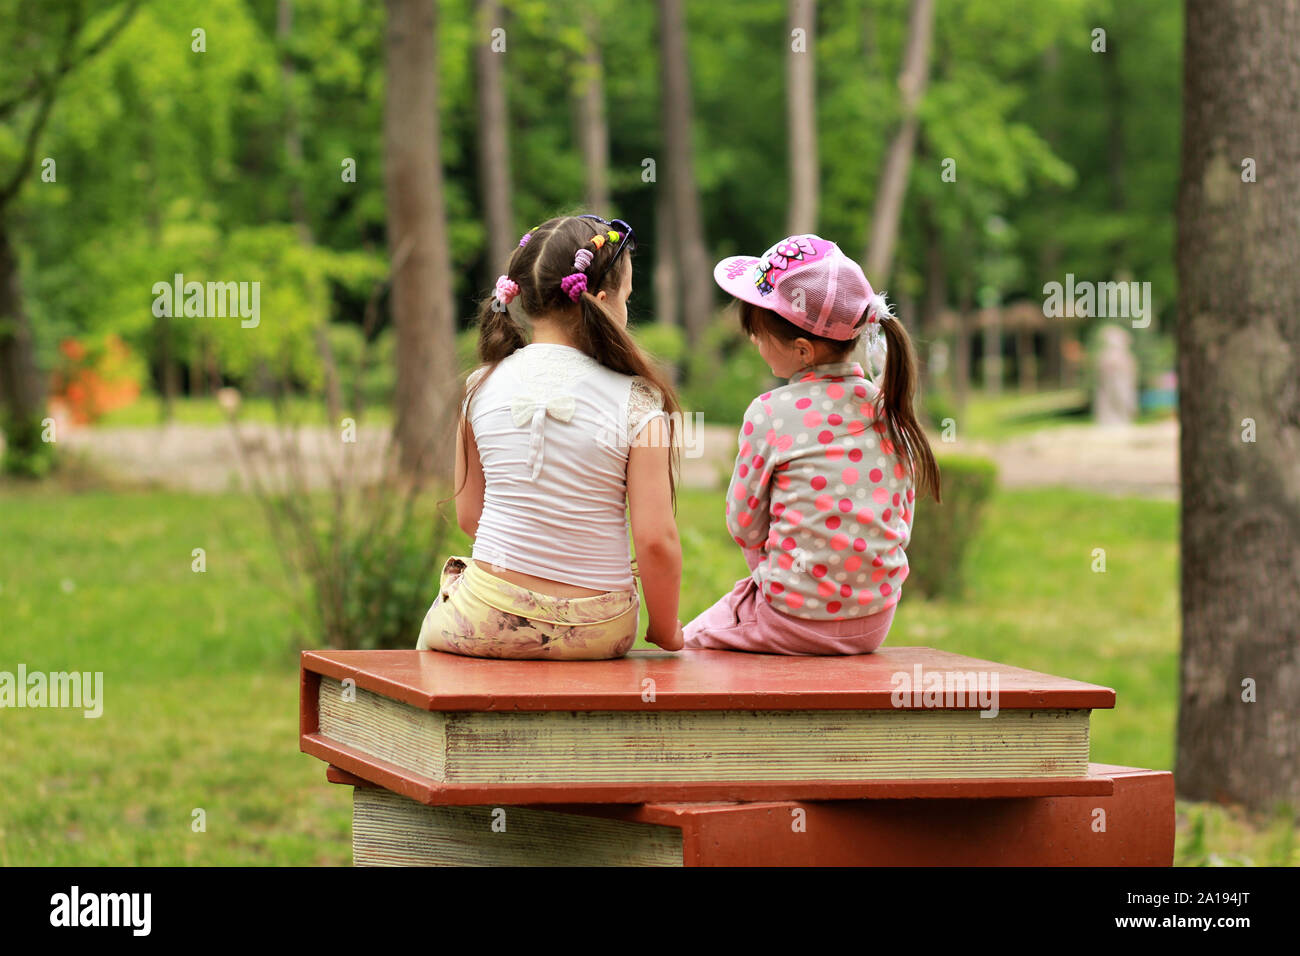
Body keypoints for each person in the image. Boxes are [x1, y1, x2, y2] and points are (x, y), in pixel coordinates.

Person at [417, 214, 684, 659]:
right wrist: (665, 628)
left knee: (432, 650)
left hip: (487, 615)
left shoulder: (480, 386)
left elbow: (470, 517)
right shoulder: (639, 400)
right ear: (600, 300)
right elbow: (656, 541)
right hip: (600, 628)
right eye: (627, 299)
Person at [684, 234, 940, 655]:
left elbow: (742, 524)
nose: (753, 341)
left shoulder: (770, 412)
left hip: (791, 617)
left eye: (759, 332)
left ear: (802, 350)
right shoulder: (889, 407)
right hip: (873, 623)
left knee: (685, 650)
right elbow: (899, 523)